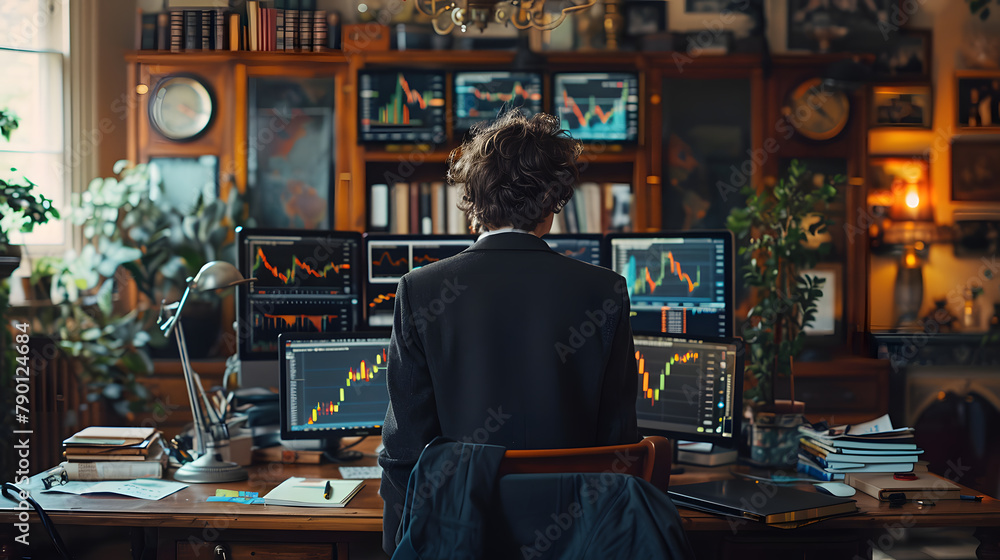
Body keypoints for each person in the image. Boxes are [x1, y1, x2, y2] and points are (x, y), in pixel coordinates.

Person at [378, 110, 641, 555]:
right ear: (553, 203)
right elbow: (618, 442)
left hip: (461, 534)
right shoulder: (605, 291)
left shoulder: (421, 290)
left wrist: (399, 544)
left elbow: (406, 447)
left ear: (474, 205)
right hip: (576, 540)